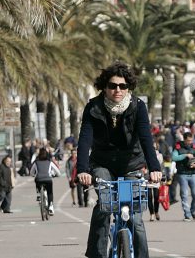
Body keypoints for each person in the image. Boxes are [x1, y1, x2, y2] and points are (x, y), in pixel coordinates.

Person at [76, 62, 162, 258]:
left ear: (128, 87)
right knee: (105, 207)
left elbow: (146, 138)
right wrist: (82, 169)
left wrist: (154, 168)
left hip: (131, 164)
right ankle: (97, 254)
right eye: (113, 85)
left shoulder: (138, 106)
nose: (117, 90)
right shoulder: (93, 107)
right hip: (102, 163)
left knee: (135, 217)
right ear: (105, 87)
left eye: (122, 86)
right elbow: (85, 139)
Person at [171, 132, 195, 221]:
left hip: (193, 173)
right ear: (184, 139)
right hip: (182, 174)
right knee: (184, 195)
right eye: (188, 140)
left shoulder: (194, 147)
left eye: (191, 140)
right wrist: (185, 155)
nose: (190, 142)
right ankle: (187, 214)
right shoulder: (178, 147)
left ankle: (193, 211)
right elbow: (174, 157)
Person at [30, 147, 61, 215]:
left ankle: (38, 194)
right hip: (48, 179)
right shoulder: (49, 162)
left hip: (38, 179)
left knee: (37, 181)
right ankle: (50, 206)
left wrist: (34, 175)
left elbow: (31, 173)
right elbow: (58, 172)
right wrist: (56, 175)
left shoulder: (36, 162)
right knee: (50, 192)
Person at [148, 141, 163, 221]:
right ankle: (151, 214)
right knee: (149, 197)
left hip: (156, 177)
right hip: (147, 177)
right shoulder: (145, 155)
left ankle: (156, 211)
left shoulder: (159, 156)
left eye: (155, 146)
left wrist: (163, 177)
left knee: (156, 196)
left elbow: (161, 167)